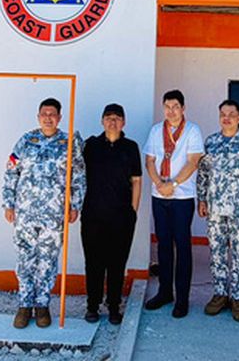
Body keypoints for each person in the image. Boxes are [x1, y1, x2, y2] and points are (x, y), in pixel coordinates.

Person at [2, 97, 85, 329]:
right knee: (25, 259)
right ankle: (24, 304)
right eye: (43, 114)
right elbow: (11, 172)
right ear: (38, 117)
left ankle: (42, 306)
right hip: (25, 213)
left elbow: (78, 176)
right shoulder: (25, 141)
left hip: (53, 215)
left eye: (52, 114)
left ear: (59, 117)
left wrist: (74, 204)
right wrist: (8, 203)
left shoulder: (68, 143)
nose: (48, 117)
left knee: (47, 261)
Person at [197, 99, 239, 322]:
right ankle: (219, 294)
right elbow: (204, 174)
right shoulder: (211, 143)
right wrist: (202, 199)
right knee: (216, 252)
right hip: (216, 208)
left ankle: (237, 298)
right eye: (222, 114)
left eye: (231, 114)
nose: (226, 117)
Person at [143, 89, 204, 318]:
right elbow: (149, 160)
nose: (171, 111)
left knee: (183, 246)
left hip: (182, 197)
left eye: (175, 106)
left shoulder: (192, 130)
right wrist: (159, 183)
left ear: (183, 108)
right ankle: (164, 292)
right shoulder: (156, 130)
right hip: (160, 196)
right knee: (164, 246)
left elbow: (193, 161)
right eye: (167, 107)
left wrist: (174, 184)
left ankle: (182, 298)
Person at [81, 103, 142, 325]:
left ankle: (114, 306)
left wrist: (133, 211)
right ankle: (92, 306)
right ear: (102, 121)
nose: (112, 121)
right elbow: (77, 177)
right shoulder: (91, 146)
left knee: (117, 263)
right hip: (93, 215)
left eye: (117, 117)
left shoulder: (131, 147)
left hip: (121, 216)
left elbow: (136, 181)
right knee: (94, 262)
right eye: (108, 117)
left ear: (123, 122)